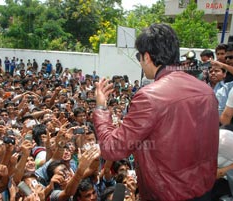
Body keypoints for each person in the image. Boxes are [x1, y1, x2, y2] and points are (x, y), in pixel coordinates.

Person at [93, 23, 219, 200]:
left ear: (146, 56)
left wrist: (101, 108)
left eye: (139, 56)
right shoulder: (206, 90)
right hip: (205, 190)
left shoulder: (150, 96)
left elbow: (112, 149)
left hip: (167, 194)